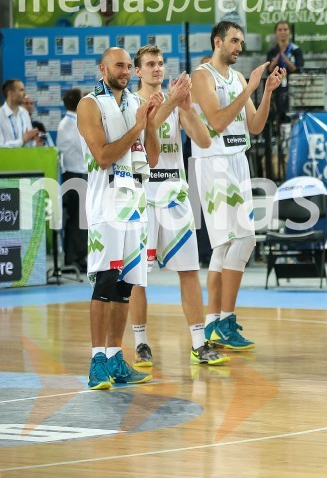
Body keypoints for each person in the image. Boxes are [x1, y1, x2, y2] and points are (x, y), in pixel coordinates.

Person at [128, 45, 228, 368]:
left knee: (189, 271)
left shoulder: (175, 102)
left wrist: (187, 108)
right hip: (143, 196)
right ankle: (141, 342)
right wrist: (173, 101)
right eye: (150, 64)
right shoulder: (131, 103)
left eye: (160, 63)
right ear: (137, 71)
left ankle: (199, 342)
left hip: (175, 195)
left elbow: (204, 140)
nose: (157, 68)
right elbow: (146, 133)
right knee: (138, 276)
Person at [191, 21, 285, 351]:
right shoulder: (202, 76)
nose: (239, 47)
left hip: (238, 160)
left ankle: (214, 321)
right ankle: (226, 318)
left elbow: (255, 126)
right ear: (217, 42)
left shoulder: (239, 78)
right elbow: (216, 122)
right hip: (214, 162)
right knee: (245, 239)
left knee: (224, 247)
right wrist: (250, 88)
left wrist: (266, 91)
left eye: (241, 42)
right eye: (233, 41)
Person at [76, 47, 160, 390]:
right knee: (106, 282)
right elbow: (103, 156)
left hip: (136, 203)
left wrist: (150, 124)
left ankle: (115, 358)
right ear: (103, 68)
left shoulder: (135, 103)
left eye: (128, 66)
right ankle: (97, 360)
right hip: (106, 205)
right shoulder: (90, 104)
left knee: (125, 286)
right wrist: (137, 125)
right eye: (119, 65)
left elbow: (152, 159)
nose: (125, 71)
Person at [56, 88, 87, 271]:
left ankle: (79, 256)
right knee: (77, 219)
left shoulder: (71, 122)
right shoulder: (70, 124)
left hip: (77, 174)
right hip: (74, 175)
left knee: (81, 218)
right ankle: (74, 257)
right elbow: (85, 146)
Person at [266, 21, 303, 123]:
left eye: (285, 29)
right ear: (275, 32)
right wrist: (275, 62)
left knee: (294, 116)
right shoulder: (272, 52)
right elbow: (268, 70)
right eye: (280, 30)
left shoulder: (296, 50)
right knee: (277, 115)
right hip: (277, 88)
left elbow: (298, 69)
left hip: (293, 88)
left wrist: (286, 60)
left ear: (289, 32)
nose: (282, 32)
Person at [1, 80, 42, 148]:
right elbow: (1, 147)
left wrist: (34, 141)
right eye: (21, 90)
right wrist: (22, 140)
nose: (25, 94)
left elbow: (28, 144)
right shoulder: (1, 115)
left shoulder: (24, 113)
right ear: (10, 93)